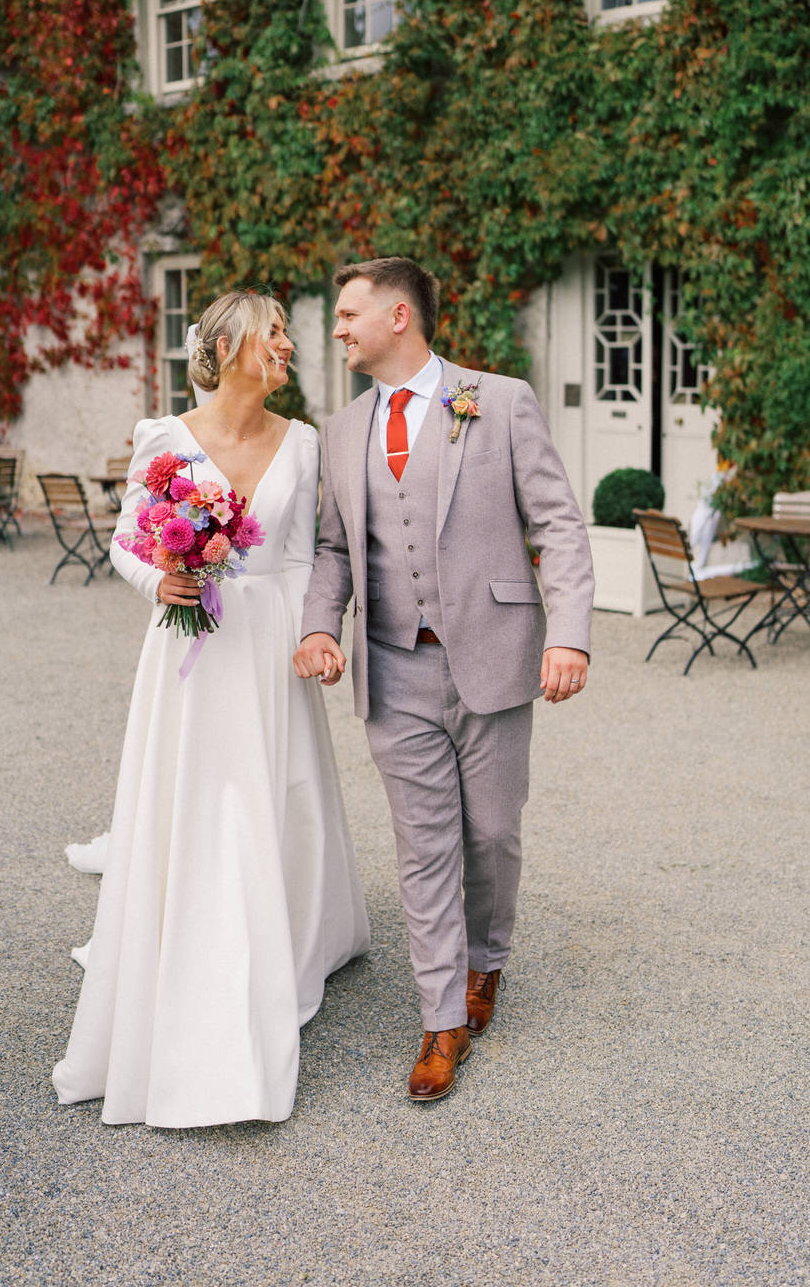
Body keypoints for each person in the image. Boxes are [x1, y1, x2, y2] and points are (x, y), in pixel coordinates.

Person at [53, 291, 370, 1127]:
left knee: (275, 794)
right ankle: (195, 949)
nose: (287, 347)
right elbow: (126, 539)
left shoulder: (304, 442)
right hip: (189, 648)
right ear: (227, 348)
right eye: (274, 334)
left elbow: (303, 555)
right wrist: (160, 580)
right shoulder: (163, 438)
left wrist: (313, 635)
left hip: (268, 646)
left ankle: (282, 936)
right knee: (200, 800)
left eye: (287, 335)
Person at [293, 258, 593, 1102]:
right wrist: (318, 625)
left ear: (398, 316)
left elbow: (559, 525)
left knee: (491, 834)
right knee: (423, 848)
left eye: (348, 314)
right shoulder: (341, 430)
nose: (337, 328)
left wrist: (569, 635)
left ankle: (485, 962)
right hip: (392, 669)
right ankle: (439, 1020)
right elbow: (332, 548)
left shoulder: (499, 401)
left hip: (493, 658)